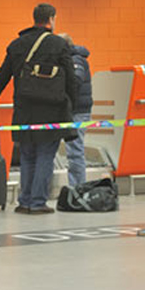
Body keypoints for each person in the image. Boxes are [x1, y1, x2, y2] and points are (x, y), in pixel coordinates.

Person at [0, 3, 79, 214]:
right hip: (51, 110)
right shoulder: (59, 44)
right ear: (51, 19)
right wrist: (71, 105)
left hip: (24, 110)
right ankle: (37, 202)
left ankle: (25, 201)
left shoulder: (17, 44)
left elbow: (3, 74)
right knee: (45, 155)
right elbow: (70, 79)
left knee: (27, 155)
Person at [60, 34, 94, 187]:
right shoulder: (73, 59)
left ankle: (78, 188)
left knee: (74, 152)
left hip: (78, 111)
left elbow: (76, 81)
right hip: (74, 110)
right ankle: (76, 186)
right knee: (73, 151)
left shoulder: (76, 60)